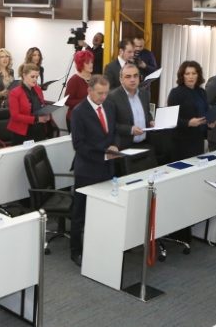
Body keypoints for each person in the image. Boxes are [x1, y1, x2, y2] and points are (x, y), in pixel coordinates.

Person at [68, 75, 117, 266]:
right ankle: (76, 251)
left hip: (108, 168)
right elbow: (79, 145)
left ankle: (99, 246)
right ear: (89, 91)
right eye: (100, 93)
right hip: (87, 169)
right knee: (80, 213)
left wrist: (115, 146)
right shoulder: (79, 112)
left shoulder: (109, 106)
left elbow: (113, 132)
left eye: (106, 93)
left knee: (103, 210)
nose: (103, 97)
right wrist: (103, 155)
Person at [167, 60, 210, 160]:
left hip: (199, 139)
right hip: (182, 141)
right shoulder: (176, 93)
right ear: (182, 76)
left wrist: (210, 122)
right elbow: (171, 120)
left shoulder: (202, 92)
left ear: (198, 75)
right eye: (187, 74)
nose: (191, 76)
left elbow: (205, 112)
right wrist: (188, 123)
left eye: (194, 73)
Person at [105, 63, 152, 152]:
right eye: (128, 77)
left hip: (145, 144)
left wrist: (151, 121)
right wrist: (130, 129)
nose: (132, 79)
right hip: (124, 147)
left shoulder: (144, 94)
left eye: (135, 76)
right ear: (121, 79)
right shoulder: (112, 97)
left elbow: (147, 114)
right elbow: (110, 124)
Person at [6, 63, 51, 144]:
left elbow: (41, 106)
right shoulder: (14, 92)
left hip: (38, 129)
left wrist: (46, 114)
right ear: (24, 75)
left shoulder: (38, 89)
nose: (35, 79)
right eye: (32, 77)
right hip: (22, 132)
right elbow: (15, 116)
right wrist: (36, 119)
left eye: (37, 77)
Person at [65, 49, 95, 116]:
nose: (91, 65)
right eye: (87, 63)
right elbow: (67, 101)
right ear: (80, 64)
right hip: (77, 117)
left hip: (91, 116)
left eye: (91, 62)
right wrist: (86, 101)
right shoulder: (74, 80)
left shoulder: (95, 79)